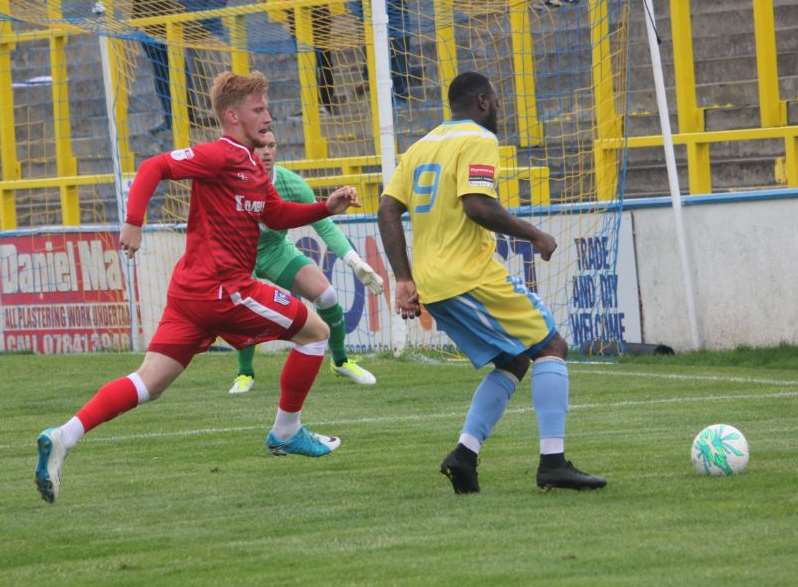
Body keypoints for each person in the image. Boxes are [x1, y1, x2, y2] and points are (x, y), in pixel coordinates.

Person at [34, 71, 361, 504]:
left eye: (266, 107)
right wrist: (133, 221)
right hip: (223, 289)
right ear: (232, 115)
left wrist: (325, 207)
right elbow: (155, 166)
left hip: (191, 293)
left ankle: (63, 436)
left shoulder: (250, 164)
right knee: (315, 333)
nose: (268, 115)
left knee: (149, 383)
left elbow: (275, 214)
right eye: (258, 109)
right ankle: (286, 432)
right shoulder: (221, 156)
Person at [377, 71, 607, 494]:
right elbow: (478, 206)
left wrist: (405, 279)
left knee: (514, 360)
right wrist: (535, 234)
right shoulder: (479, 140)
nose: (498, 109)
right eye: (496, 101)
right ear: (483, 102)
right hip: (468, 276)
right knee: (551, 345)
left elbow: (387, 209)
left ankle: (464, 457)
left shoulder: (420, 146)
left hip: (435, 282)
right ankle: (553, 463)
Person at [228, 130, 383, 394]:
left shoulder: (292, 184)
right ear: (248, 150)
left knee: (328, 295)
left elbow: (324, 225)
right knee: (240, 305)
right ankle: (245, 373)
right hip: (240, 253)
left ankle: (341, 360)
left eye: (272, 146)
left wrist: (354, 261)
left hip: (276, 249)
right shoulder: (232, 183)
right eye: (260, 146)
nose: (266, 152)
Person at [132, 0, 228, 134]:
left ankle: (190, 115)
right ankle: (174, 116)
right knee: (163, 72)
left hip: (186, 21)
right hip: (153, 22)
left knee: (189, 69)